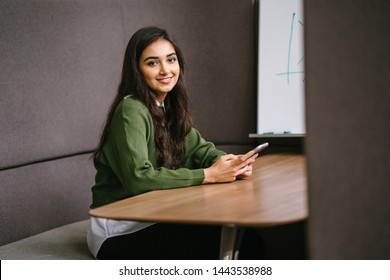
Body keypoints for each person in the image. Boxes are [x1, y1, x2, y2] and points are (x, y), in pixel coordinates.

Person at [87, 26, 261, 260]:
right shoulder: (131, 109)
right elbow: (138, 178)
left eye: (171, 60)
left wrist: (232, 164)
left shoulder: (167, 107)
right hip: (120, 230)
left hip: (156, 216)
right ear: (137, 70)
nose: (165, 70)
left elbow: (202, 150)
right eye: (152, 63)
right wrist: (208, 175)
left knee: (243, 234)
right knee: (217, 240)